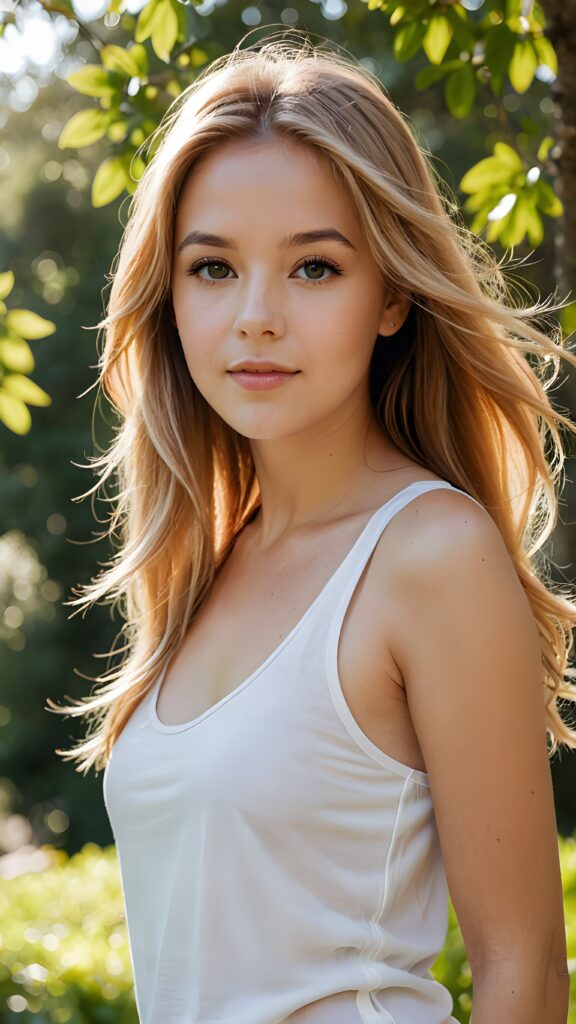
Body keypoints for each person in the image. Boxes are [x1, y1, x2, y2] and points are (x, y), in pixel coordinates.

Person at [48, 30, 576, 1024]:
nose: (255, 316)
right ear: (169, 293)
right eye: (212, 268)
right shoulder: (204, 560)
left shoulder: (430, 554)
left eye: (315, 269)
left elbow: (526, 974)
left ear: (392, 295)